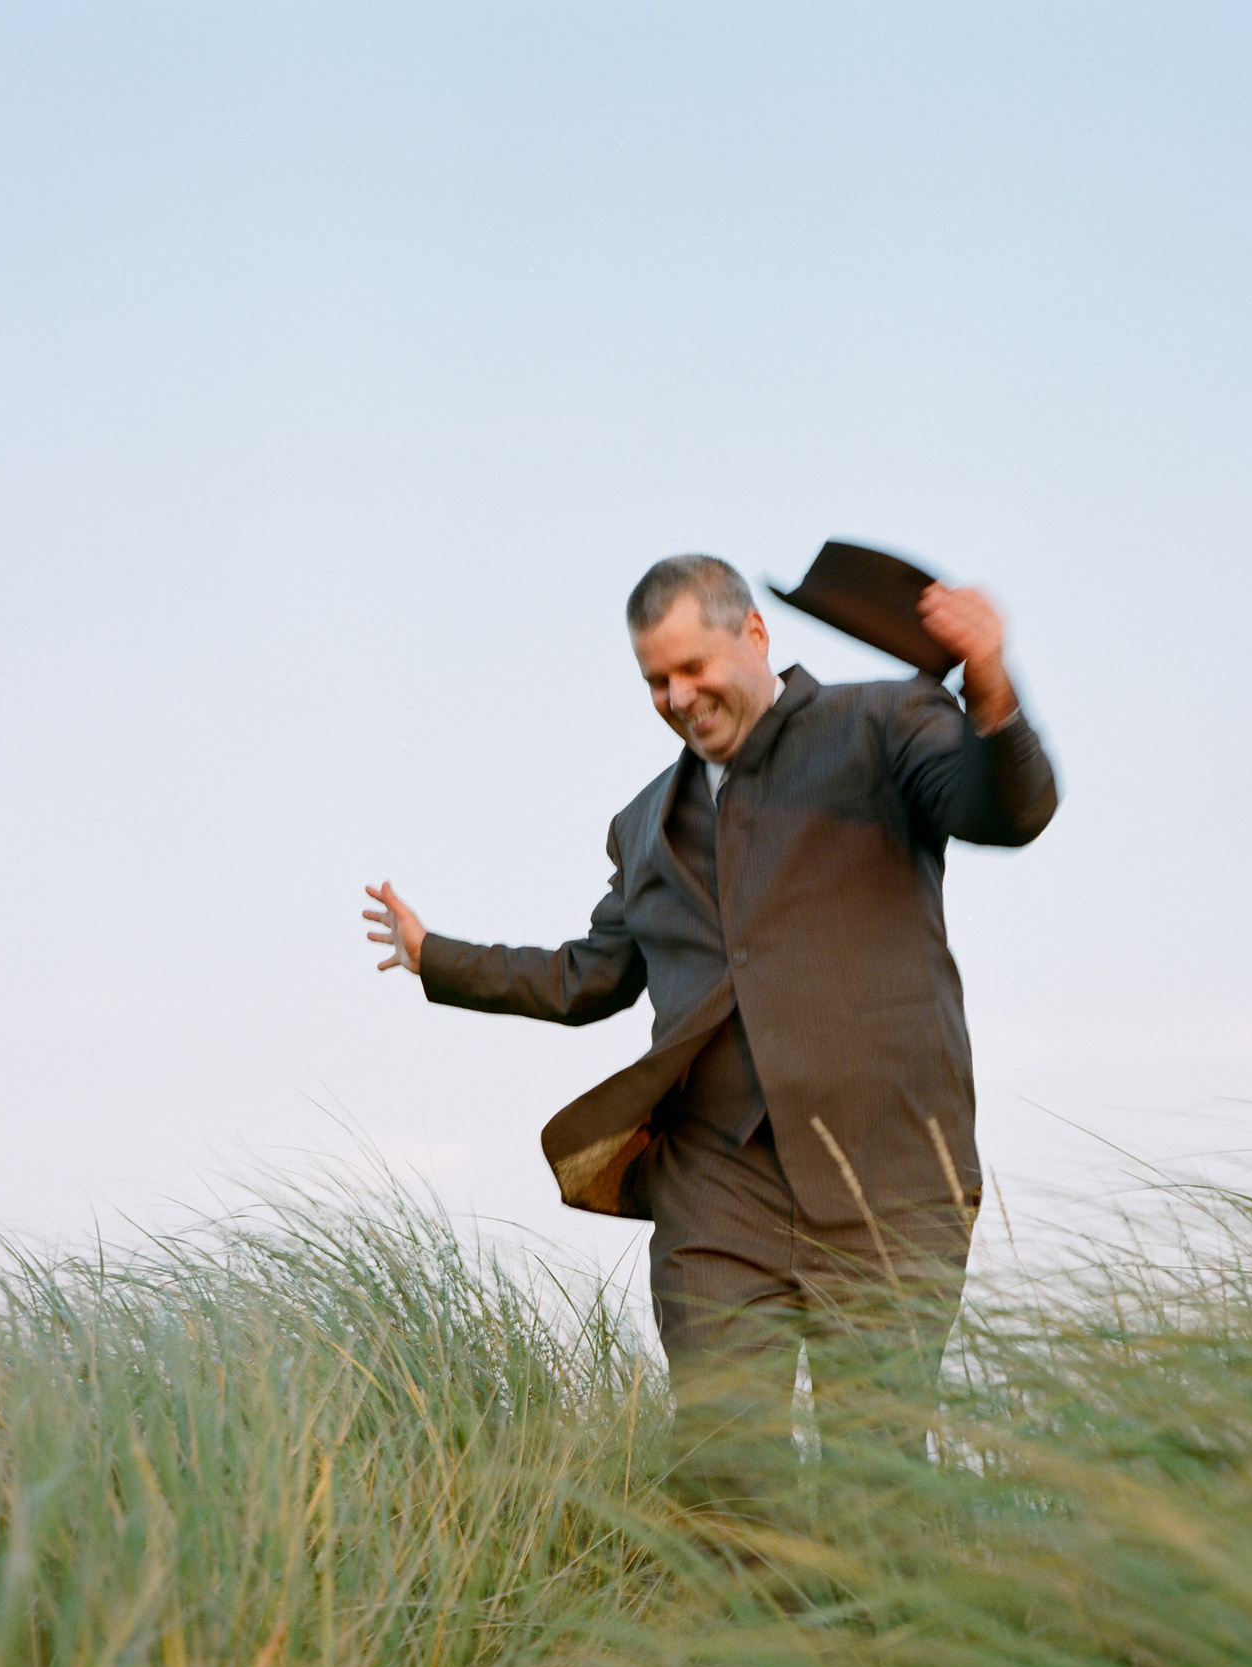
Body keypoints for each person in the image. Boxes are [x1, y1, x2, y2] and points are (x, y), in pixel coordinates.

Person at [364, 554, 1058, 1515]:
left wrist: (988, 678)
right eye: (657, 679)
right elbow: (589, 975)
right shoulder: (644, 824)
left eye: (694, 667)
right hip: (716, 1192)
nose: (679, 697)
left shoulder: (883, 724)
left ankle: (879, 1665)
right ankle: (738, 1663)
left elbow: (1006, 810)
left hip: (889, 1179)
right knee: (728, 1475)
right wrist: (436, 953)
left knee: (879, 1482)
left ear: (755, 637)